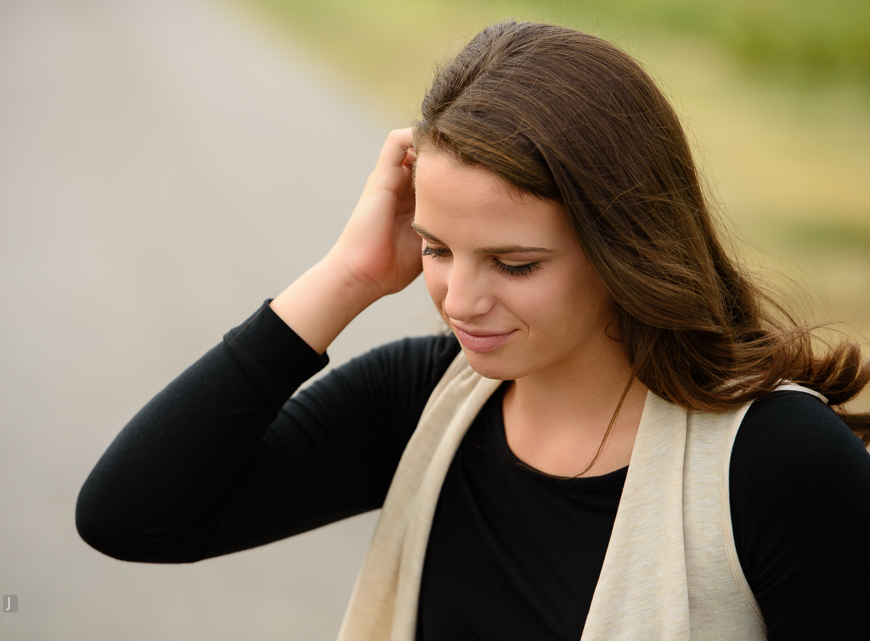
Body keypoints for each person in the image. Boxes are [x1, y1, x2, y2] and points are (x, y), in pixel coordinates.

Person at [76, 21, 870, 640]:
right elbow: (134, 514)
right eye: (436, 248)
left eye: (514, 263)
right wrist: (348, 276)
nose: (459, 299)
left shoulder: (775, 461)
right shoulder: (421, 398)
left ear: (627, 247)